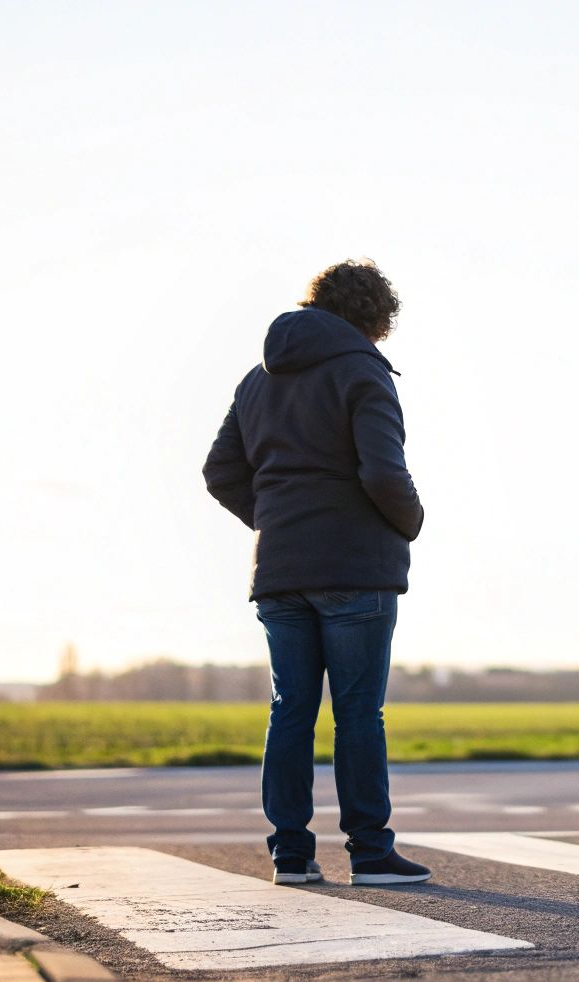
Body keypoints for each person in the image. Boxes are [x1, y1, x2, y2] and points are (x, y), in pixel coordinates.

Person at [203, 259, 432, 886]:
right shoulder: (363, 373)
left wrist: (275, 521)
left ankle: (291, 854)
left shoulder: (257, 380)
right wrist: (409, 523)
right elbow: (384, 473)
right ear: (375, 319)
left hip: (280, 569)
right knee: (359, 712)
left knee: (290, 710)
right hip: (355, 566)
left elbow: (220, 472)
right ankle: (370, 851)